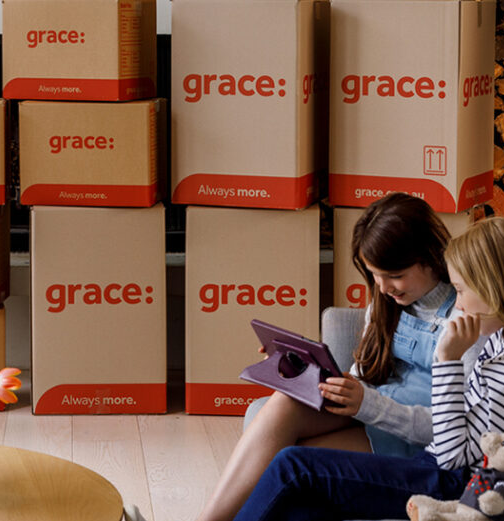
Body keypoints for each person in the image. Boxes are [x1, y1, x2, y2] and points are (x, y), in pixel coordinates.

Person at [230, 216, 504, 521]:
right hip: (434, 465)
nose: (458, 303)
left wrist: (447, 360)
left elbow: (453, 456)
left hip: (452, 481)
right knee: (300, 502)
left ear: (495, 288)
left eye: (461, 290)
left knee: (294, 465)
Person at [197, 193, 461, 521]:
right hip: (372, 412)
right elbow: (364, 376)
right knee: (283, 403)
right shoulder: (386, 304)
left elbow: (452, 428)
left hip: (414, 441)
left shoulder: (464, 318)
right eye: (374, 275)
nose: (382, 287)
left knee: (289, 463)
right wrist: (306, 369)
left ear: (431, 256)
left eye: (394, 275)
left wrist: (366, 402)